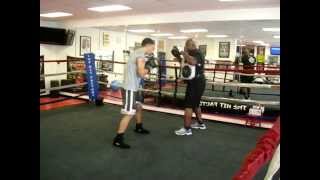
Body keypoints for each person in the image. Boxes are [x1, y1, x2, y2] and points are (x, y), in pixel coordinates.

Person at [112, 38, 157, 149]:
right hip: (130, 88)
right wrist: (150, 67)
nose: (153, 50)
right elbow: (141, 73)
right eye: (153, 47)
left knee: (138, 106)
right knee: (129, 113)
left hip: (135, 87)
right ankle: (118, 139)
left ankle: (139, 127)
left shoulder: (137, 53)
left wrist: (146, 65)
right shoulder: (140, 55)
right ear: (149, 45)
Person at [174, 39, 206, 136]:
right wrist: (179, 57)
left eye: (186, 46)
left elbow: (192, 62)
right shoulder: (191, 53)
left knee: (188, 105)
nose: (185, 47)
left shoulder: (198, 53)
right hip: (195, 81)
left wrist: (184, 53)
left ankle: (187, 129)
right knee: (196, 104)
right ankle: (200, 124)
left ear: (189, 45)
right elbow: (187, 67)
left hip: (197, 82)